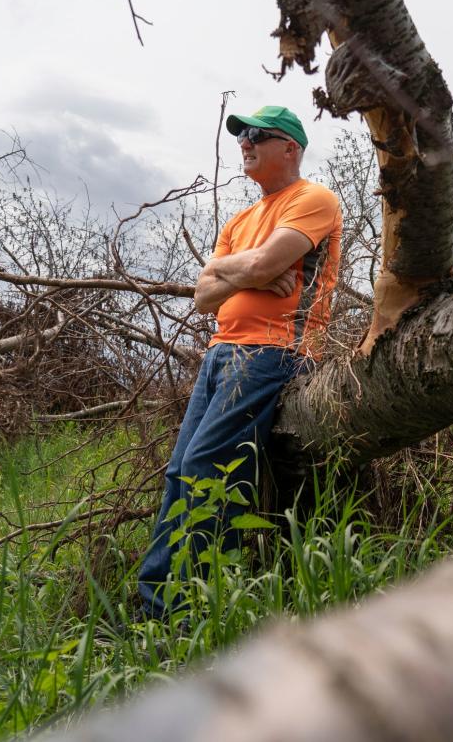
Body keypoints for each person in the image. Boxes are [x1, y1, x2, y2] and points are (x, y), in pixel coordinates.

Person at [138, 105, 342, 618]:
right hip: (220, 353)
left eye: (256, 135)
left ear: (290, 147)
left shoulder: (312, 199)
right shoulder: (239, 220)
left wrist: (242, 270)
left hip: (273, 352)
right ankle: (157, 601)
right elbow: (203, 295)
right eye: (241, 136)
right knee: (181, 469)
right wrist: (239, 271)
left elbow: (264, 263)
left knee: (209, 467)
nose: (244, 143)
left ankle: (176, 611)